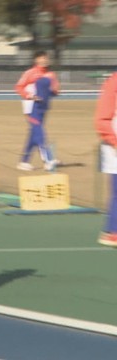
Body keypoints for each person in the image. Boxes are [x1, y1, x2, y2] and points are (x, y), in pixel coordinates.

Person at [15, 51, 60, 171]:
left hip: (43, 108)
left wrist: (53, 91)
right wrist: (30, 96)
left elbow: (56, 90)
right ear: (36, 60)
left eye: (46, 58)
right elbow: (19, 87)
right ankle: (48, 159)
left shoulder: (51, 74)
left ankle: (24, 162)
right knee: (39, 133)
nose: (44, 60)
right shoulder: (30, 73)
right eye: (41, 58)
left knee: (34, 134)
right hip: (30, 107)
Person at [94, 72, 117, 247]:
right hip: (113, 145)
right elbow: (102, 119)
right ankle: (113, 232)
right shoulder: (113, 83)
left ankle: (110, 229)